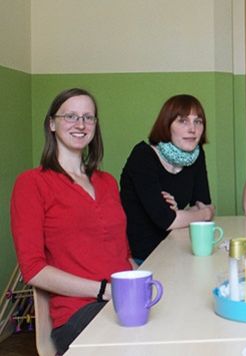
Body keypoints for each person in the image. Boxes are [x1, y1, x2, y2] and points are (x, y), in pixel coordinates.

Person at [10, 88, 134, 354]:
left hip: (124, 301)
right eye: (71, 116)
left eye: (88, 117)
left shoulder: (108, 182)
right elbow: (33, 269)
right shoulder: (32, 183)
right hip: (77, 312)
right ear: (52, 124)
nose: (81, 124)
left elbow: (122, 253)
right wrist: (103, 290)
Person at [120, 94, 214, 263]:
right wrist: (202, 214)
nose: (192, 129)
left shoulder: (196, 155)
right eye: (183, 121)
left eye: (198, 121)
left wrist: (182, 214)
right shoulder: (143, 156)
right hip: (142, 257)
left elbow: (203, 203)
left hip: (178, 246)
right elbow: (168, 221)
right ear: (167, 124)